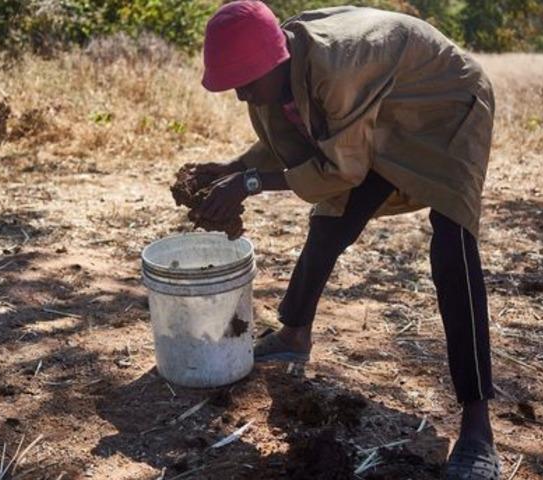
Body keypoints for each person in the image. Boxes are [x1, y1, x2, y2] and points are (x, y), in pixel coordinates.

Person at [188, 1, 500, 479]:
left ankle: (478, 427)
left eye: (245, 83)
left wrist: (249, 183)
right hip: (384, 112)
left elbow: (341, 169)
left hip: (447, 105)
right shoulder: (276, 66)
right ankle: (294, 333)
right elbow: (285, 141)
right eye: (234, 85)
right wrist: (234, 168)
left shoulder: (337, 68)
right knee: (332, 220)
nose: (241, 95)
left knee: (452, 247)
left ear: (275, 59)